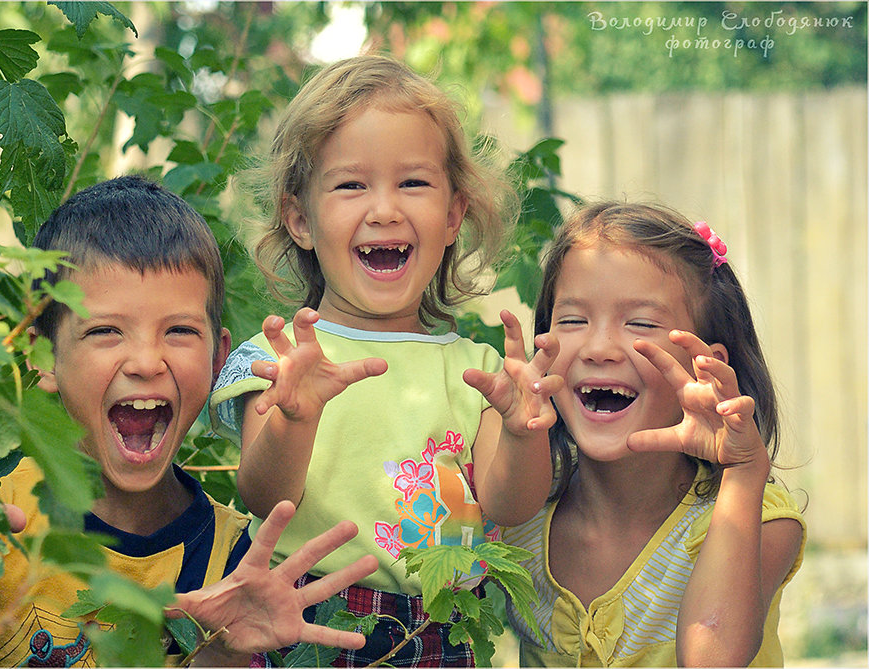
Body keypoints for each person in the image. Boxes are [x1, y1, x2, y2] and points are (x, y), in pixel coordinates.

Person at [209, 55, 562, 667]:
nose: (384, 209)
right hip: (304, 621)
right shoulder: (281, 357)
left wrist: (523, 432)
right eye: (351, 184)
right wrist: (294, 417)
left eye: (413, 183)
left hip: (442, 632)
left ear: (454, 216)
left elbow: (509, 505)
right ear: (299, 219)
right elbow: (263, 493)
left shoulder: (477, 371)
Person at [0, 175, 378, 667]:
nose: (146, 361)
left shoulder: (241, 564)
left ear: (217, 358)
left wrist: (220, 654)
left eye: (179, 330)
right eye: (105, 331)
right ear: (42, 353)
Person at [501, 202, 806, 667]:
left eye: (641, 322)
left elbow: (711, 660)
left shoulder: (759, 521)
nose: (599, 348)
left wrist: (745, 474)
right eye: (572, 320)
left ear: (706, 364)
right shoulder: (517, 514)